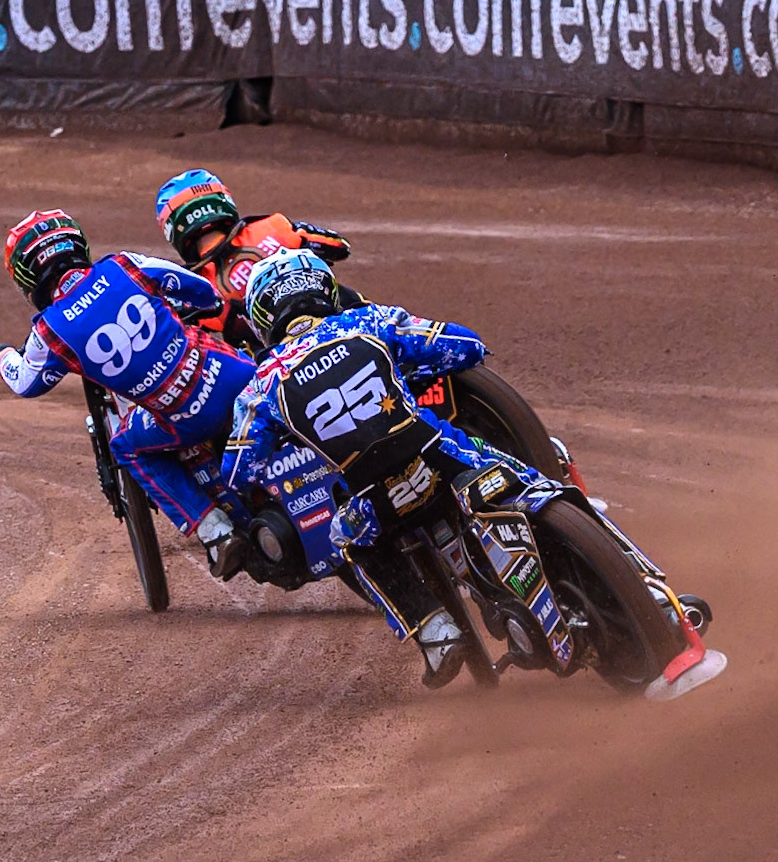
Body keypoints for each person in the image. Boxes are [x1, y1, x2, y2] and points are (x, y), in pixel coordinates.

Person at [220, 249, 545, 688]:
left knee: (344, 537)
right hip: (443, 458)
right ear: (325, 290)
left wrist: (283, 436)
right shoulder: (369, 321)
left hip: (378, 502)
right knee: (533, 477)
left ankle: (434, 633)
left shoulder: (262, 384)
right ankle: (627, 572)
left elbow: (238, 469)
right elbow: (466, 346)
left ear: (262, 319)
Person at [0, 209, 253, 577]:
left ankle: (216, 532)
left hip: (187, 418)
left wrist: (2, 355)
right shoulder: (124, 265)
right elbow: (201, 291)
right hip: (238, 378)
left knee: (125, 446)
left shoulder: (50, 331)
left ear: (28, 277)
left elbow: (27, 383)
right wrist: (203, 308)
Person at [153, 169, 357, 350]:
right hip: (344, 330)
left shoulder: (191, 287)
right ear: (221, 200)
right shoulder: (273, 227)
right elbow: (339, 247)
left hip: (283, 367)